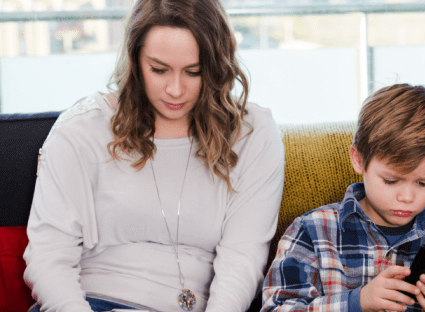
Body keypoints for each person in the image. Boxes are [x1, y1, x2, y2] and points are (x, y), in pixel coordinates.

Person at [22, 0, 285, 310]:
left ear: (216, 67)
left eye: (193, 71)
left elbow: (244, 257)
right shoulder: (80, 130)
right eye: (159, 70)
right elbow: (48, 257)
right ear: (135, 61)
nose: (175, 89)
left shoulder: (254, 134)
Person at [261, 84, 425, 312]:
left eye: (423, 183)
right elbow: (276, 309)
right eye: (391, 181)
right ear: (359, 160)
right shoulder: (311, 232)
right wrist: (357, 301)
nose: (407, 197)